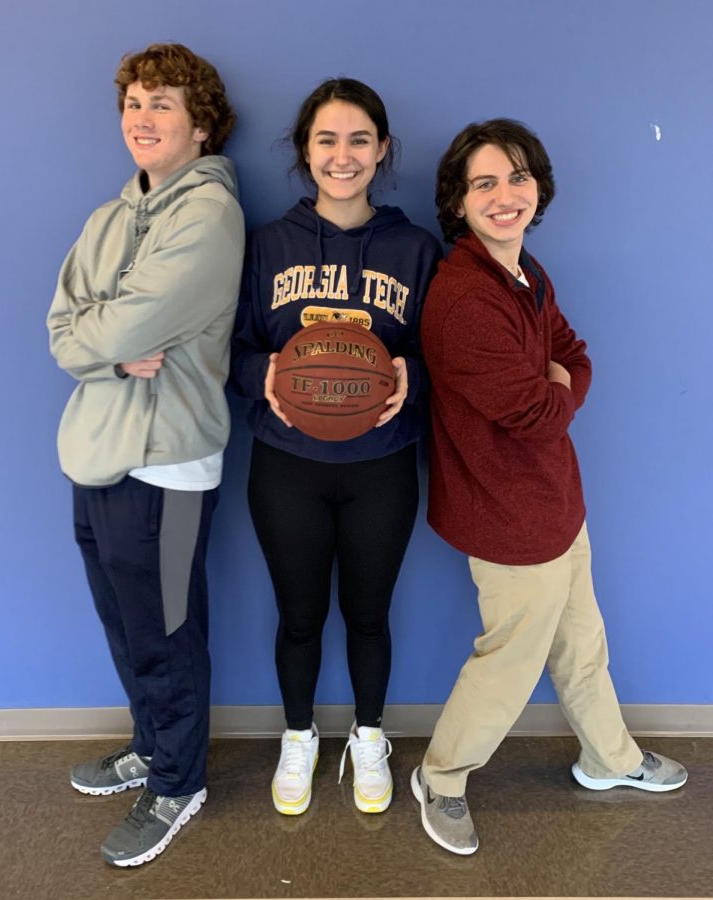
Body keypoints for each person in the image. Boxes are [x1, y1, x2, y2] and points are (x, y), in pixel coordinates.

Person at [413, 118, 687, 855]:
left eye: (517, 176)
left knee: (581, 645)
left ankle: (609, 758)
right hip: (506, 516)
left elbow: (570, 353)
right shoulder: (464, 300)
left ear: (537, 186)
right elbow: (536, 415)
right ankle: (439, 779)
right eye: (484, 184)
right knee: (507, 666)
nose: (505, 195)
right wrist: (558, 387)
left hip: (555, 504)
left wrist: (558, 379)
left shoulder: (525, 272)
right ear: (458, 202)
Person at [46, 42, 244, 867]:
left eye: (161, 104)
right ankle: (148, 743)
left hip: (167, 461)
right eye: (133, 103)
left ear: (200, 127)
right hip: (94, 452)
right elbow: (64, 331)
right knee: (122, 623)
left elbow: (124, 324)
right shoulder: (106, 216)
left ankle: (177, 780)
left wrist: (109, 334)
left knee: (165, 629)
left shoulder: (209, 214)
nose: (142, 118)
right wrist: (106, 346)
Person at [232, 79, 442, 816]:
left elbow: (444, 353)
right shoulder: (266, 245)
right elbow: (232, 350)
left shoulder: (416, 249)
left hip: (381, 465)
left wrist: (410, 376)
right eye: (326, 139)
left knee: (368, 615)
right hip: (285, 464)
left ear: (382, 150)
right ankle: (298, 735)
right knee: (296, 615)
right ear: (304, 151)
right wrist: (272, 376)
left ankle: (369, 735)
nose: (342, 155)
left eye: (359, 139)